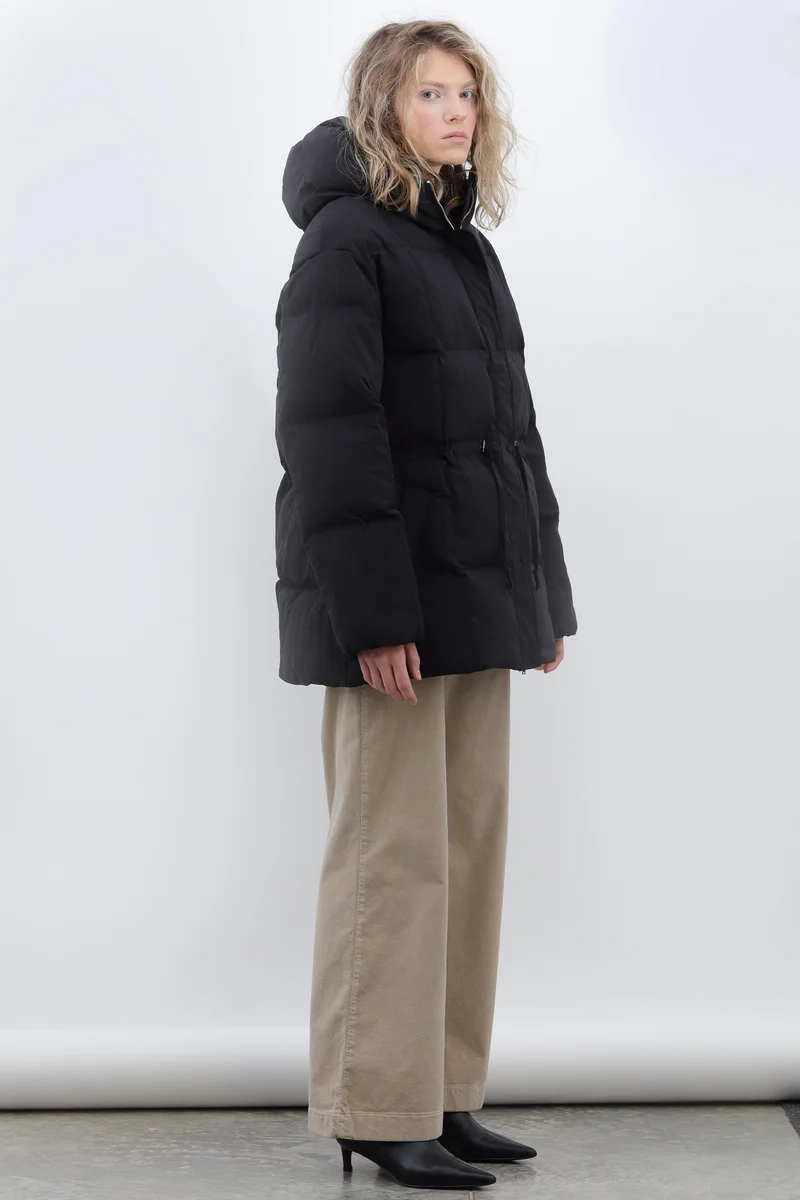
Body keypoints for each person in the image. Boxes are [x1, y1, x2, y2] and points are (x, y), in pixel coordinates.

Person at [274, 19, 578, 1190]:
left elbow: (510, 434)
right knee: (390, 857)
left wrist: (540, 593)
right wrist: (373, 616)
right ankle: (372, 1102)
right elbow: (329, 437)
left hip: (474, 597)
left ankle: (440, 1093)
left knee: (463, 852)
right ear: (381, 109)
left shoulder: (461, 246)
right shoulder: (345, 243)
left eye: (465, 95)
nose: (455, 114)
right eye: (430, 95)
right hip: (393, 613)